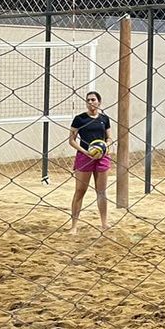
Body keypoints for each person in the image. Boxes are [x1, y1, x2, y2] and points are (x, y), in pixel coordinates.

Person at [68, 91, 112, 234]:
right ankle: (74, 226)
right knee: (80, 191)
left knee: (101, 192)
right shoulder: (79, 119)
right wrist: (85, 151)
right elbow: (71, 140)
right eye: (88, 100)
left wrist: (106, 146)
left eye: (93, 99)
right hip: (84, 157)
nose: (90, 102)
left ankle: (104, 223)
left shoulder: (104, 119)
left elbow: (109, 138)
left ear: (99, 102)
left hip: (101, 157)